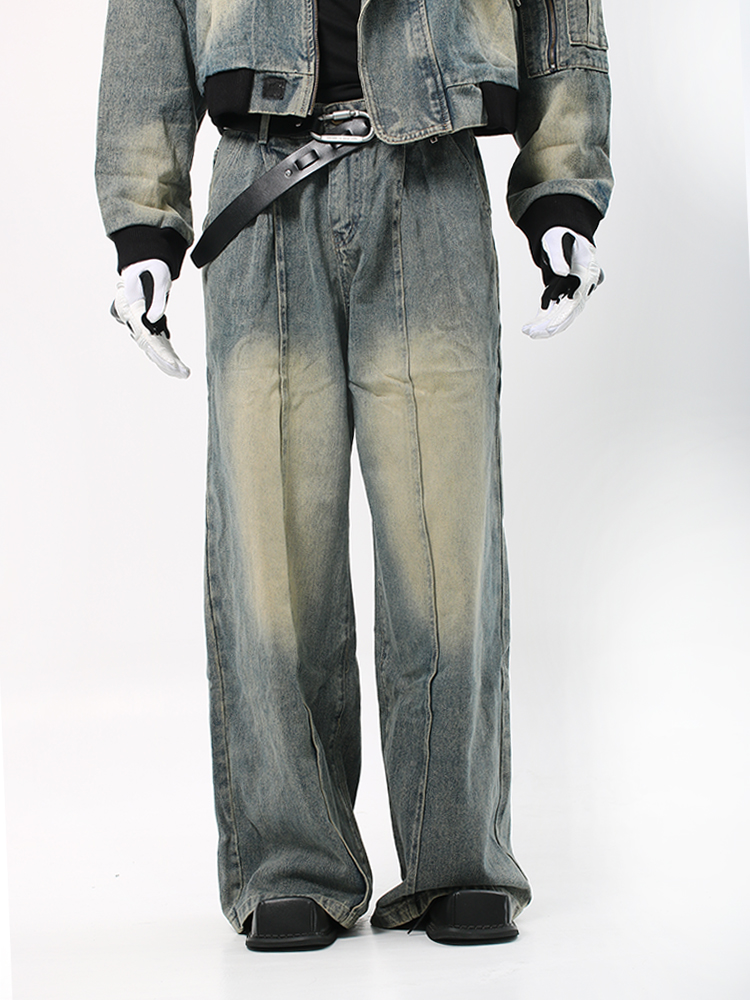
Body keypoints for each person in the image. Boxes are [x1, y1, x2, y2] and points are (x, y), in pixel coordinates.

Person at [96, 0, 612, 950]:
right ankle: (292, 865)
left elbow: (557, 15)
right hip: (262, 189)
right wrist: (143, 227)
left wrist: (563, 194)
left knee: (446, 548)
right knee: (272, 551)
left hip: (433, 183)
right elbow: (149, 22)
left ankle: (457, 860)